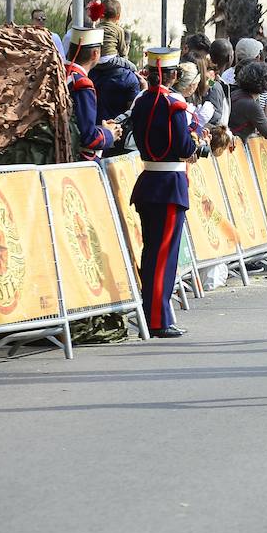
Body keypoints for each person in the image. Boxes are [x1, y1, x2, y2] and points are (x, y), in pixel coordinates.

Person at [128, 47, 195, 338]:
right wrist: (195, 145)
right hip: (169, 184)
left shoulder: (141, 101)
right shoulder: (174, 104)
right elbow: (183, 146)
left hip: (148, 181)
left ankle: (152, 312)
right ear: (173, 74)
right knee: (163, 254)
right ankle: (157, 318)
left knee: (151, 251)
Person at [65, 27, 121, 161]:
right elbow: (88, 138)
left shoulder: (58, 73)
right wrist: (109, 134)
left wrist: (101, 128)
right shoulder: (82, 84)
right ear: (95, 54)